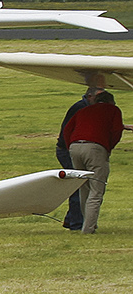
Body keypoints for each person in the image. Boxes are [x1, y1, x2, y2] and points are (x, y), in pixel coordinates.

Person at [62, 90, 124, 234]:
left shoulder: (84, 109)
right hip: (95, 147)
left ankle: (86, 223)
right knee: (96, 189)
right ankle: (88, 228)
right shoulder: (113, 110)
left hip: (75, 146)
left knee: (84, 187)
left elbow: (67, 129)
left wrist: (69, 146)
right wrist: (108, 148)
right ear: (111, 102)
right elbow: (116, 131)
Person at [55, 87, 99, 230]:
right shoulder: (80, 108)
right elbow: (67, 130)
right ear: (90, 96)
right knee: (78, 185)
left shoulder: (88, 107)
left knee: (79, 183)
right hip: (67, 149)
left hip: (71, 148)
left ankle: (71, 219)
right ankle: (77, 223)